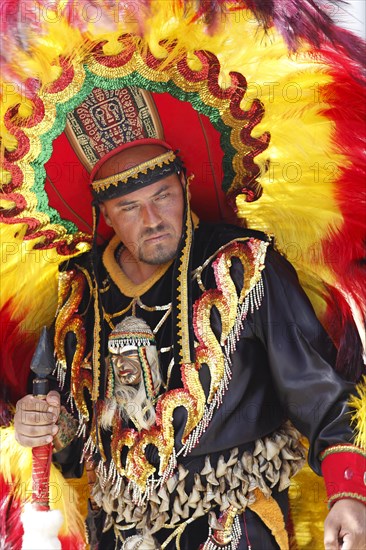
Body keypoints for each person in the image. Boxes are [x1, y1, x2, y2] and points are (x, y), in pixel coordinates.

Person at [14, 138, 366, 549]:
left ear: (186, 184)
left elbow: (325, 396)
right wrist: (42, 425)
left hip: (231, 525)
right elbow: (74, 447)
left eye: (163, 196)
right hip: (116, 532)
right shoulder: (79, 288)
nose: (152, 219)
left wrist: (349, 496)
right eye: (129, 207)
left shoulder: (244, 265)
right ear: (105, 213)